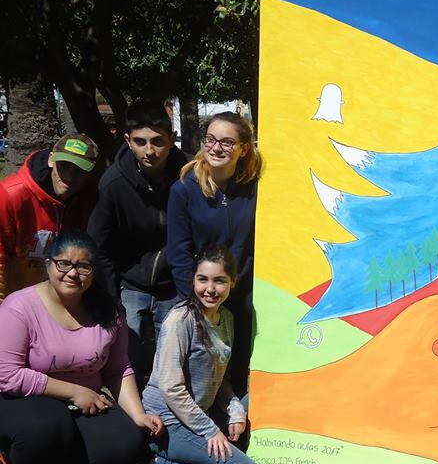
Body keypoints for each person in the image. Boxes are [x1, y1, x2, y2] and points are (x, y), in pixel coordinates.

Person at [0, 231, 163, 464]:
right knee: (48, 426)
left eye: (83, 266)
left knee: (125, 443)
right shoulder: (18, 307)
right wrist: (75, 391)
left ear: (93, 272)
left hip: (84, 404)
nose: (73, 273)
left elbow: (118, 369)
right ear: (48, 264)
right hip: (24, 398)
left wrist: (137, 415)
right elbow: (8, 375)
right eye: (64, 263)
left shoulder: (108, 311)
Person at [136, 244, 264, 464]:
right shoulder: (181, 319)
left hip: (200, 413)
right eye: (202, 279)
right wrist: (210, 431)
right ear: (193, 280)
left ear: (233, 282)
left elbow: (221, 380)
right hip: (168, 422)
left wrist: (236, 412)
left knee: (256, 399)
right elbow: (171, 388)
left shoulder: (227, 318)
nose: (210, 289)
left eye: (219, 281)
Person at [88, 99, 188, 387]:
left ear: (172, 138)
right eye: (140, 142)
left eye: (158, 141)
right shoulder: (113, 183)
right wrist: (111, 298)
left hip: (175, 284)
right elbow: (99, 245)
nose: (149, 150)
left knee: (172, 361)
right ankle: (132, 410)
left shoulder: (191, 175)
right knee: (128, 361)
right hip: (131, 284)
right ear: (127, 140)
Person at [167, 112, 261, 395]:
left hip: (242, 294)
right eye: (210, 139)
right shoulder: (184, 189)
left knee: (239, 368)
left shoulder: (255, 188)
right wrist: (195, 299)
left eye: (227, 142)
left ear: (244, 148)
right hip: (203, 295)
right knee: (202, 375)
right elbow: (179, 252)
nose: (216, 147)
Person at [0, 133, 99, 303]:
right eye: (64, 166)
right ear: (51, 159)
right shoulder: (11, 195)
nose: (69, 177)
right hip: (15, 302)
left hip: (63, 303)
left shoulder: (92, 199)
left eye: (79, 171)